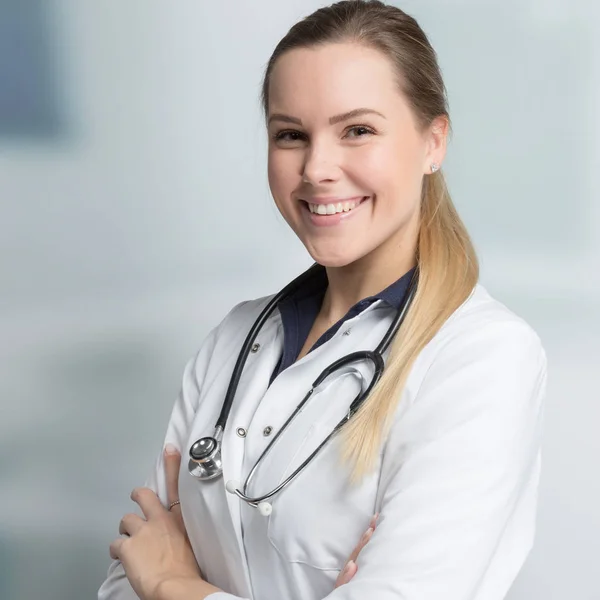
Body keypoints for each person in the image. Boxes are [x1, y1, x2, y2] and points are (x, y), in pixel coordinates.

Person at [98, 1, 547, 599]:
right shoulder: (235, 338)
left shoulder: (483, 359)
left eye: (357, 130)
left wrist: (176, 586)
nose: (317, 168)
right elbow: (121, 584)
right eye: (291, 135)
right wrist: (152, 579)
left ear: (433, 141)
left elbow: (149, 581)